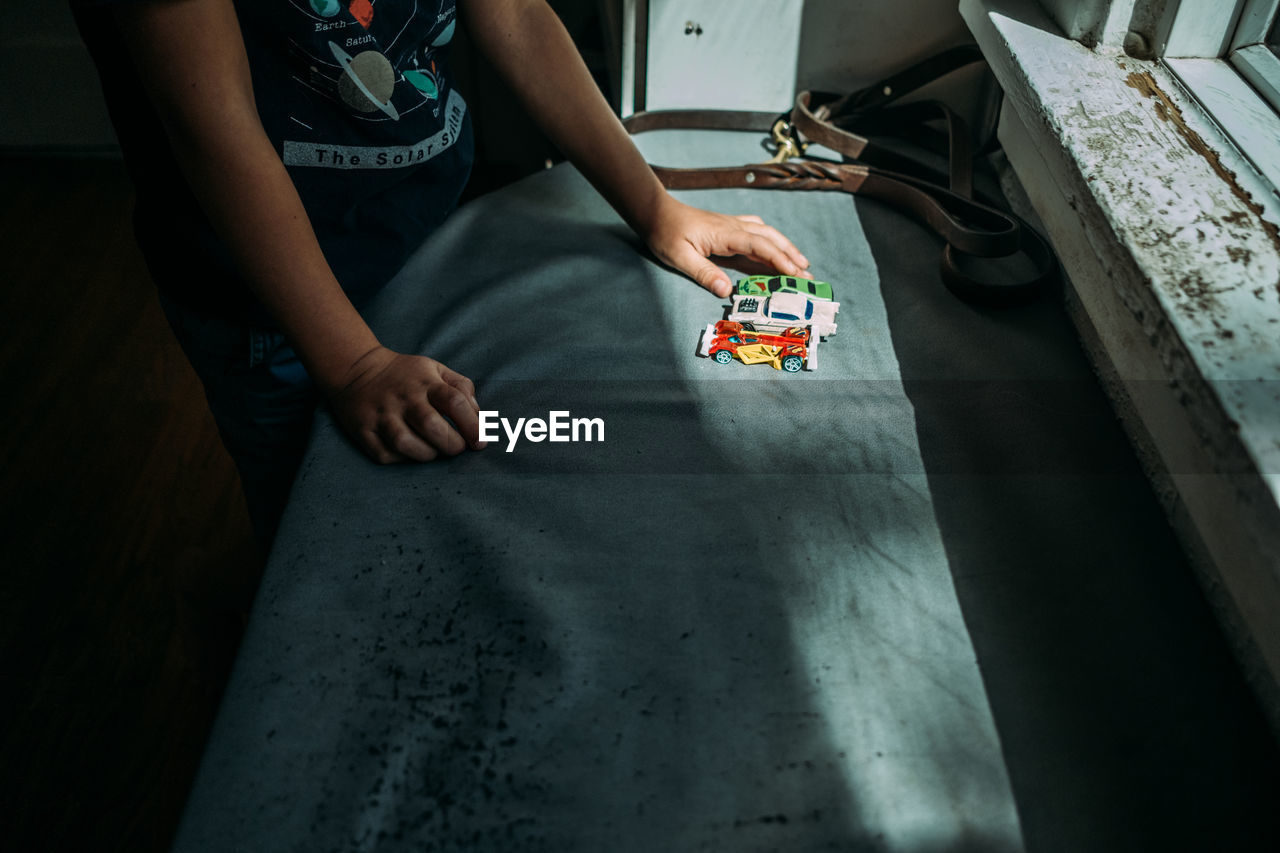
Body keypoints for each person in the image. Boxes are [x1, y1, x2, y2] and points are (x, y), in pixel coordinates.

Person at [73, 0, 811, 541]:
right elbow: (213, 128)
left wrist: (652, 205)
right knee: (315, 528)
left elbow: (516, 14)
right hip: (273, 319)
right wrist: (356, 364)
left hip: (421, 238)